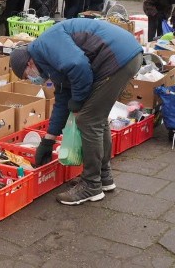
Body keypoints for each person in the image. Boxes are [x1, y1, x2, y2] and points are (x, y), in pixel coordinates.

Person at [9, 19, 142, 205]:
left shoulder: (46, 45)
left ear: (29, 63)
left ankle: (91, 185)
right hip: (124, 56)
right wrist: (49, 139)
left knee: (88, 120)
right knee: (97, 119)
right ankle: (103, 178)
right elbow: (63, 97)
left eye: (27, 75)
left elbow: (79, 66)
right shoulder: (48, 63)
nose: (32, 80)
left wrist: (78, 102)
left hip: (117, 58)